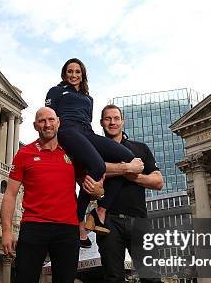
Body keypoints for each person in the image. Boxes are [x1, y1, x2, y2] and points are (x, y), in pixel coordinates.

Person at [0, 107, 103, 283]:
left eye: (51, 120)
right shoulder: (24, 154)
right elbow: (10, 195)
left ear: (58, 123)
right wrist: (6, 230)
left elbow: (92, 185)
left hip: (67, 230)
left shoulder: (72, 154)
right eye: (42, 120)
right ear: (35, 126)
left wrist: (99, 190)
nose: (47, 124)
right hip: (34, 227)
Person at [94, 104, 196, 283]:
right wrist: (124, 169)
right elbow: (93, 180)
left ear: (122, 122)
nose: (113, 122)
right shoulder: (95, 149)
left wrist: (131, 173)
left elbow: (158, 182)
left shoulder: (140, 148)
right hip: (109, 222)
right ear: (102, 123)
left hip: (139, 221)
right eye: (108, 119)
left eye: (116, 118)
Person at [45, 58, 143, 245]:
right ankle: (78, 219)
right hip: (67, 130)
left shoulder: (88, 98)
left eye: (77, 72)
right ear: (64, 74)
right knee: (97, 165)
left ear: (82, 75)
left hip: (87, 132)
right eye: (70, 71)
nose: (73, 75)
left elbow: (87, 121)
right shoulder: (56, 91)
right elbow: (50, 118)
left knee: (129, 158)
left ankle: (100, 210)